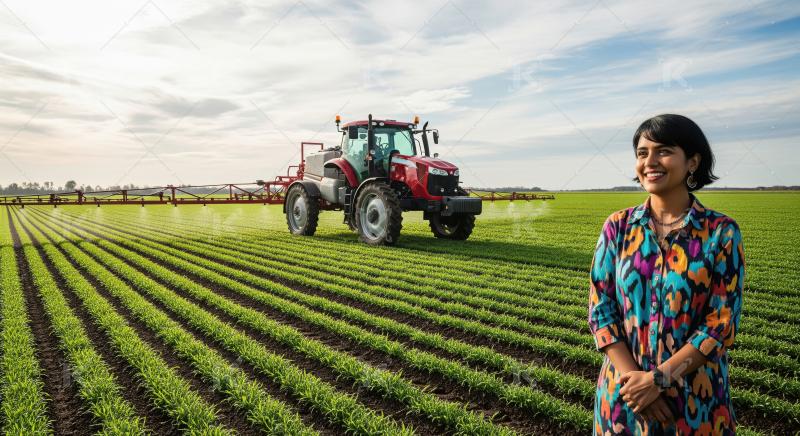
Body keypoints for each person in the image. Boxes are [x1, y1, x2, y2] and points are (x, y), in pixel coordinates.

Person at [588, 114, 744, 435]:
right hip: (625, 398)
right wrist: (637, 386)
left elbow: (720, 324)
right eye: (642, 153)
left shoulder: (720, 232)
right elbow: (601, 311)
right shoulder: (617, 226)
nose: (650, 161)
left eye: (663, 151)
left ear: (693, 162)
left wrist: (659, 380)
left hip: (694, 402)